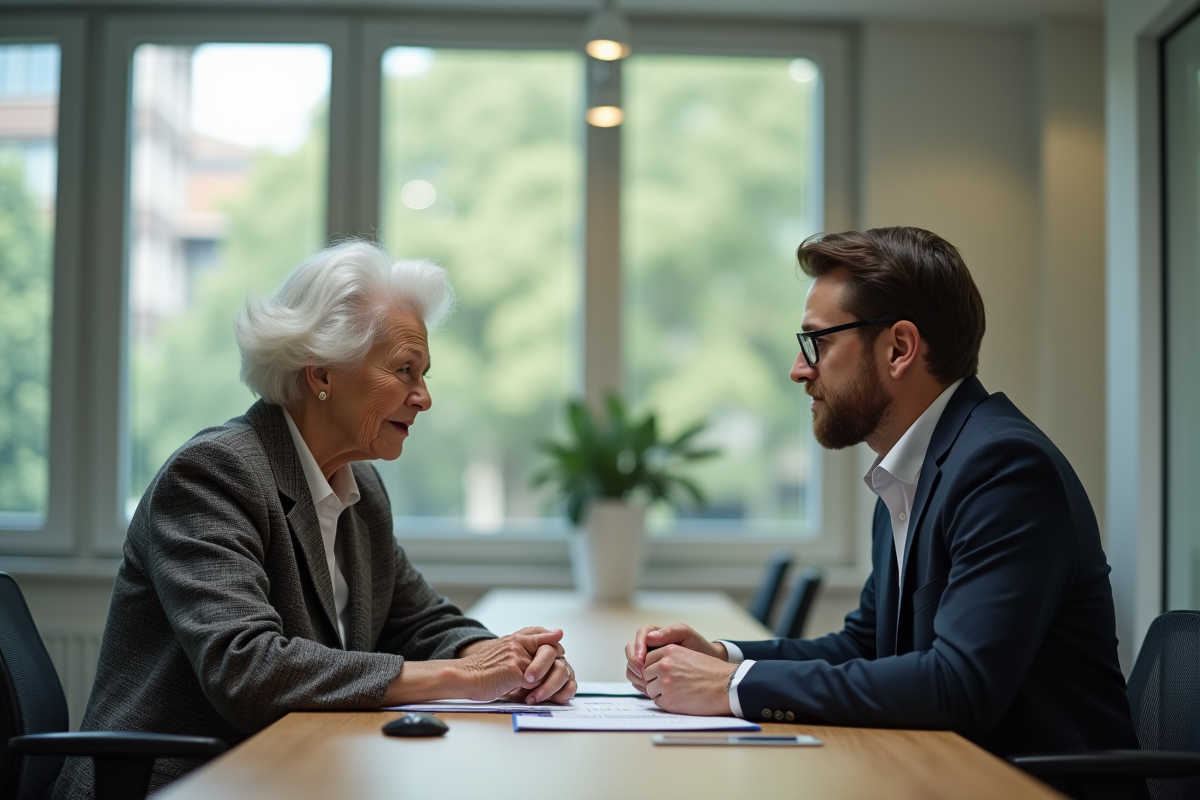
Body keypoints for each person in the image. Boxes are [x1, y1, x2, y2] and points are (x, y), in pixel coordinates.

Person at [54, 241, 576, 798]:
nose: (424, 398)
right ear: (321, 371)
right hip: (180, 783)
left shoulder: (360, 487)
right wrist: (457, 678)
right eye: (405, 370)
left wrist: (511, 661)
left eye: (423, 374)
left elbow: (420, 620)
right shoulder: (213, 473)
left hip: (291, 770)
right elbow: (247, 667)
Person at [624, 227, 1139, 759]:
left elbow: (959, 685)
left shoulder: (1004, 468)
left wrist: (733, 688)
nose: (799, 369)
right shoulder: (908, 470)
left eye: (817, 342)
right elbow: (864, 646)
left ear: (899, 348)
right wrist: (723, 658)